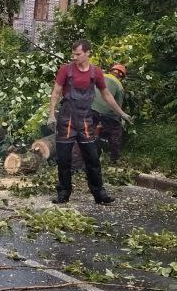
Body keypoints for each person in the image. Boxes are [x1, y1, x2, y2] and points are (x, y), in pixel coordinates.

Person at [45, 40, 132, 204]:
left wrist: (122, 114)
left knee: (92, 158)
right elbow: (56, 92)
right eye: (73, 54)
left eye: (78, 54)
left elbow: (107, 95)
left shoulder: (96, 72)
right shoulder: (66, 70)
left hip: (85, 120)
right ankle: (63, 193)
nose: (75, 57)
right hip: (67, 120)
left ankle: (100, 194)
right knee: (64, 159)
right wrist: (51, 115)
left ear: (87, 53)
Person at [91, 63, 128, 163]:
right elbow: (117, 107)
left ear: (111, 71)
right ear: (121, 77)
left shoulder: (99, 77)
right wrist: (120, 119)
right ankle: (115, 159)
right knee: (115, 133)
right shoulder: (119, 86)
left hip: (90, 109)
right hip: (106, 112)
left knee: (88, 133)